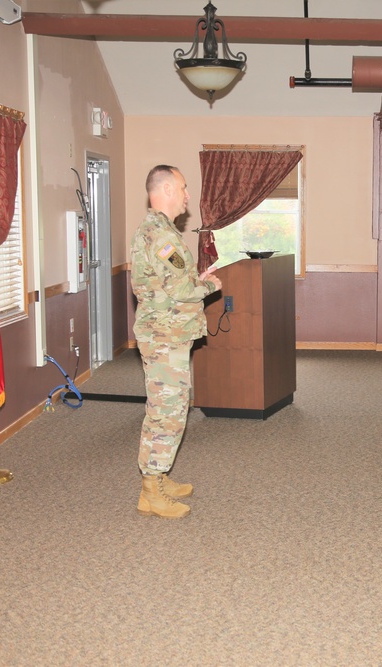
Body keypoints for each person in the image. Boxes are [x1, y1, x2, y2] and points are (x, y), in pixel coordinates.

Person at [131, 165, 222, 519]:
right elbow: (182, 291)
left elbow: (169, 282)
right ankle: (151, 490)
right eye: (183, 188)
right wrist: (209, 286)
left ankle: (158, 477)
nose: (187, 195)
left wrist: (193, 280)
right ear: (166, 188)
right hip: (165, 337)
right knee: (166, 413)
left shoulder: (158, 230)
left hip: (166, 334)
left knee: (168, 408)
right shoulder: (161, 235)